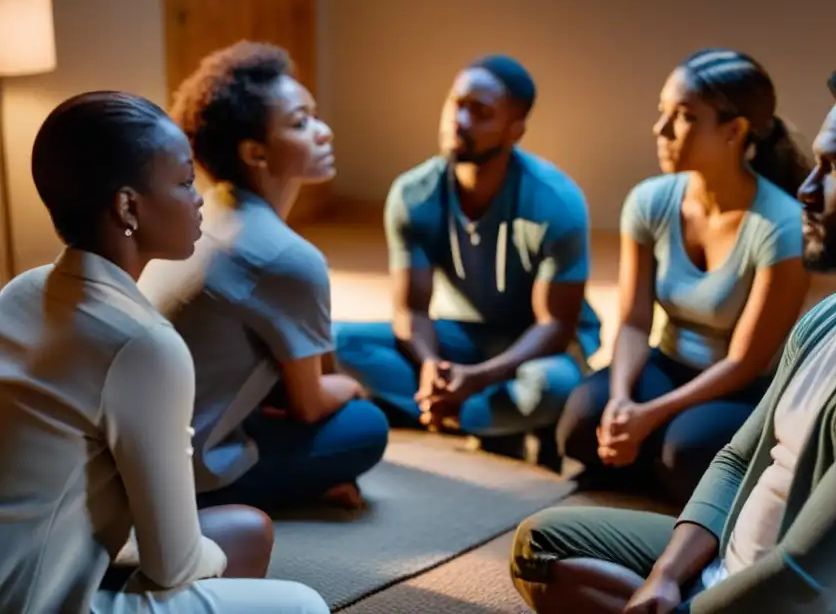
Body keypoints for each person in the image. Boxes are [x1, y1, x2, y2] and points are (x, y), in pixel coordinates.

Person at [509, 55, 836, 614]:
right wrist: (665, 575)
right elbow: (737, 458)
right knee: (541, 546)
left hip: (803, 603)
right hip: (736, 562)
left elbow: (802, 582)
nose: (806, 188)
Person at [0, 92, 328, 613]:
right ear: (128, 207)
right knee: (303, 604)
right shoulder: (145, 345)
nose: (199, 198)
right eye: (182, 183)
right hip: (38, 599)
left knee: (246, 530)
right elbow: (171, 566)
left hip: (44, 555)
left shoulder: (22, 290)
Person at [138, 42, 388, 511]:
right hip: (191, 473)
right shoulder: (286, 257)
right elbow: (309, 406)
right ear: (255, 152)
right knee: (365, 425)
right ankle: (286, 487)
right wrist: (354, 387)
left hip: (144, 446)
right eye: (300, 123)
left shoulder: (206, 214)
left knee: (339, 351)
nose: (324, 132)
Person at [556, 49, 811, 504]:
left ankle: (655, 464)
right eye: (663, 113)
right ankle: (646, 458)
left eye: (685, 117)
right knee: (581, 421)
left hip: (740, 388)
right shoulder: (650, 201)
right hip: (668, 363)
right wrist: (620, 401)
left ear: (735, 131)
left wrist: (649, 416)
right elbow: (634, 321)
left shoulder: (781, 226)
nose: (661, 130)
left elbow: (745, 363)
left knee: (685, 452)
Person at [333, 55, 601, 467]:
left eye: (481, 113)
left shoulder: (555, 203)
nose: (459, 120)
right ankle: (480, 415)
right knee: (335, 342)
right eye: (455, 104)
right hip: (462, 338)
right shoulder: (413, 194)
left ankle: (452, 410)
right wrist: (429, 366)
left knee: (555, 387)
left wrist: (479, 378)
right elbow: (411, 310)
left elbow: (554, 326)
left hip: (537, 347)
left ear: (515, 131)